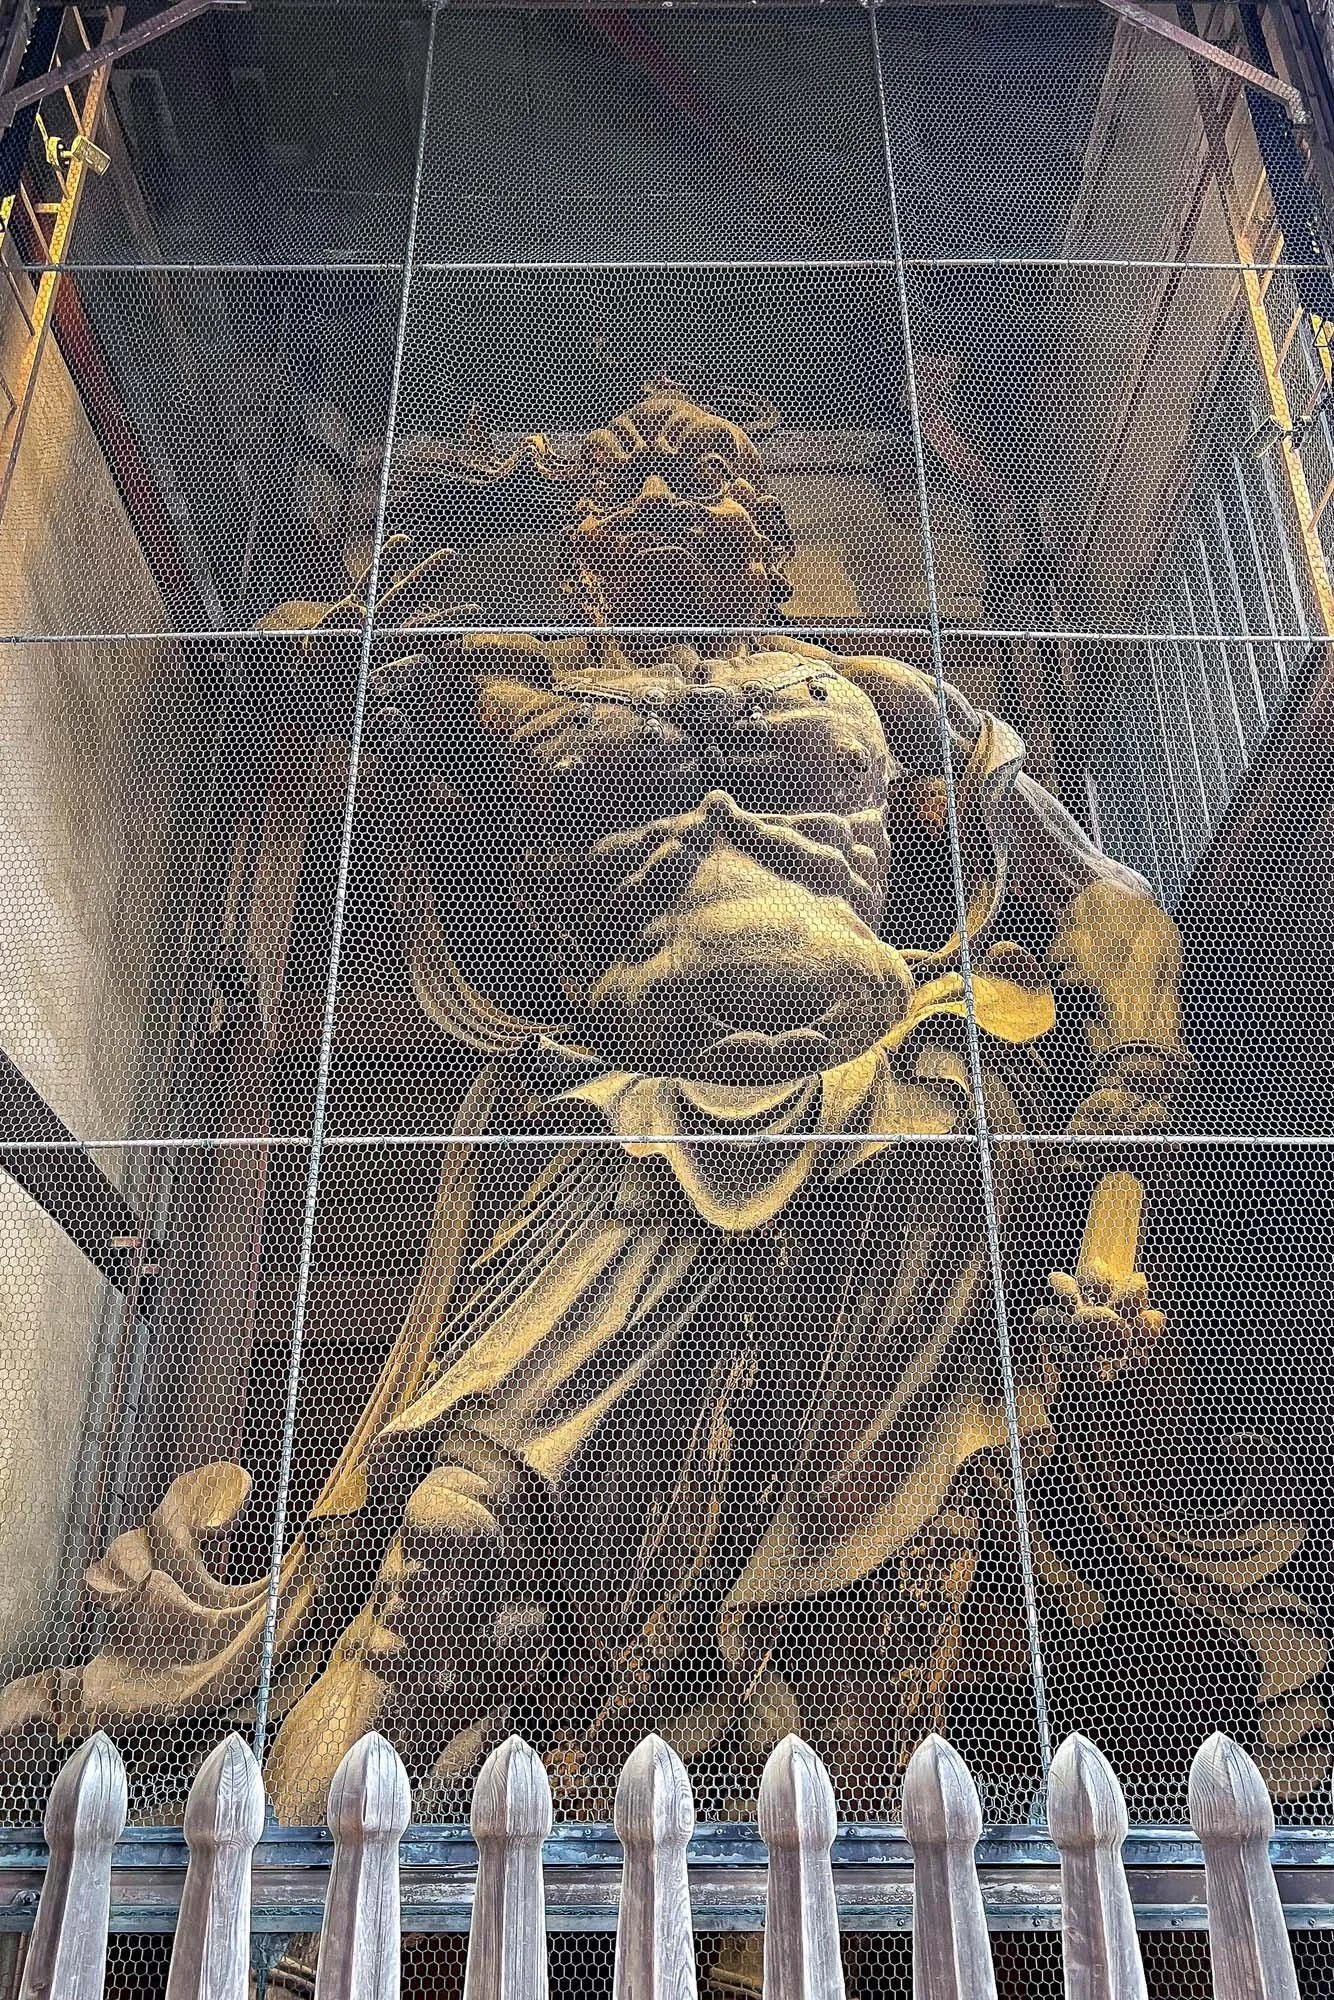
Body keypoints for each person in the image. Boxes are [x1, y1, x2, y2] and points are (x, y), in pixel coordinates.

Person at [4, 390, 1320, 1820]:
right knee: (447, 1544)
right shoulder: (515, 685)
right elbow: (264, 670)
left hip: (894, 1111)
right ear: (579, 555)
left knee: (887, 1544)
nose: (665, 497)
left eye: (707, 478)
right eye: (624, 477)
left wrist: (1133, 1072)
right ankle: (294, 1922)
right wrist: (356, 636)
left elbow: (1107, 896)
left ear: (769, 552)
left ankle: (796, 1817)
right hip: (629, 1125)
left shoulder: (888, 700)